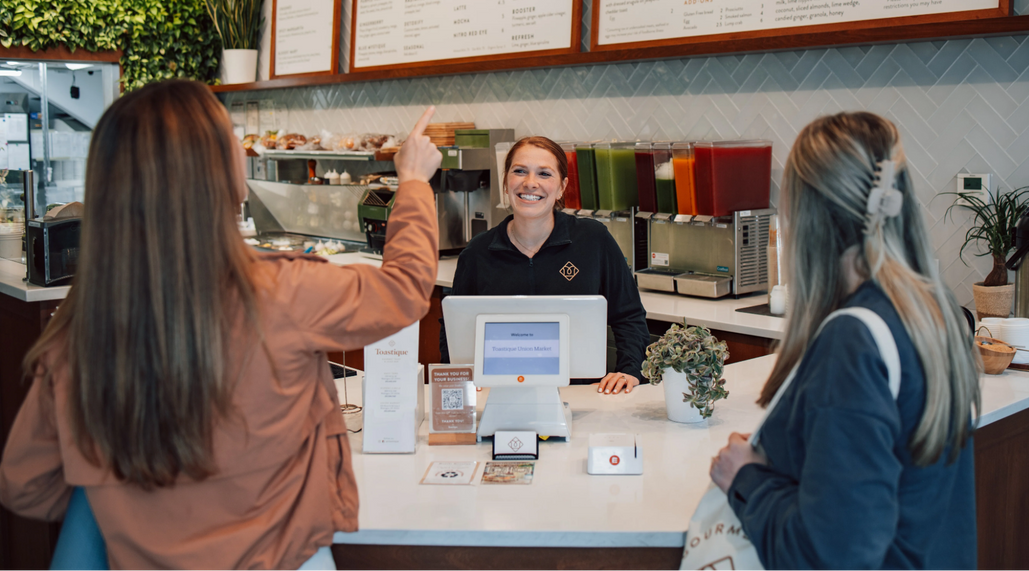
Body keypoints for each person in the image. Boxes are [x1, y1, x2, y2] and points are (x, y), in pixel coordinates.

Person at [0, 80, 442, 570]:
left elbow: (27, 486)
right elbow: (405, 289)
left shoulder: (77, 335)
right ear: (213, 171)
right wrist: (414, 181)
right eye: (229, 136)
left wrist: (131, 499)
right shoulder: (284, 293)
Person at [709, 112, 981, 570]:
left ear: (807, 216)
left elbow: (833, 553)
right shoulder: (933, 311)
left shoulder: (852, 340)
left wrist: (747, 478)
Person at [440, 136, 649, 395]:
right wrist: (464, 376)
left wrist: (629, 370)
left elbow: (628, 315)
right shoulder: (477, 252)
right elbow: (454, 327)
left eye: (544, 174)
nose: (530, 183)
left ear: (562, 187)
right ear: (506, 182)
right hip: (499, 395)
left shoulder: (594, 240)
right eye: (519, 171)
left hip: (581, 396)